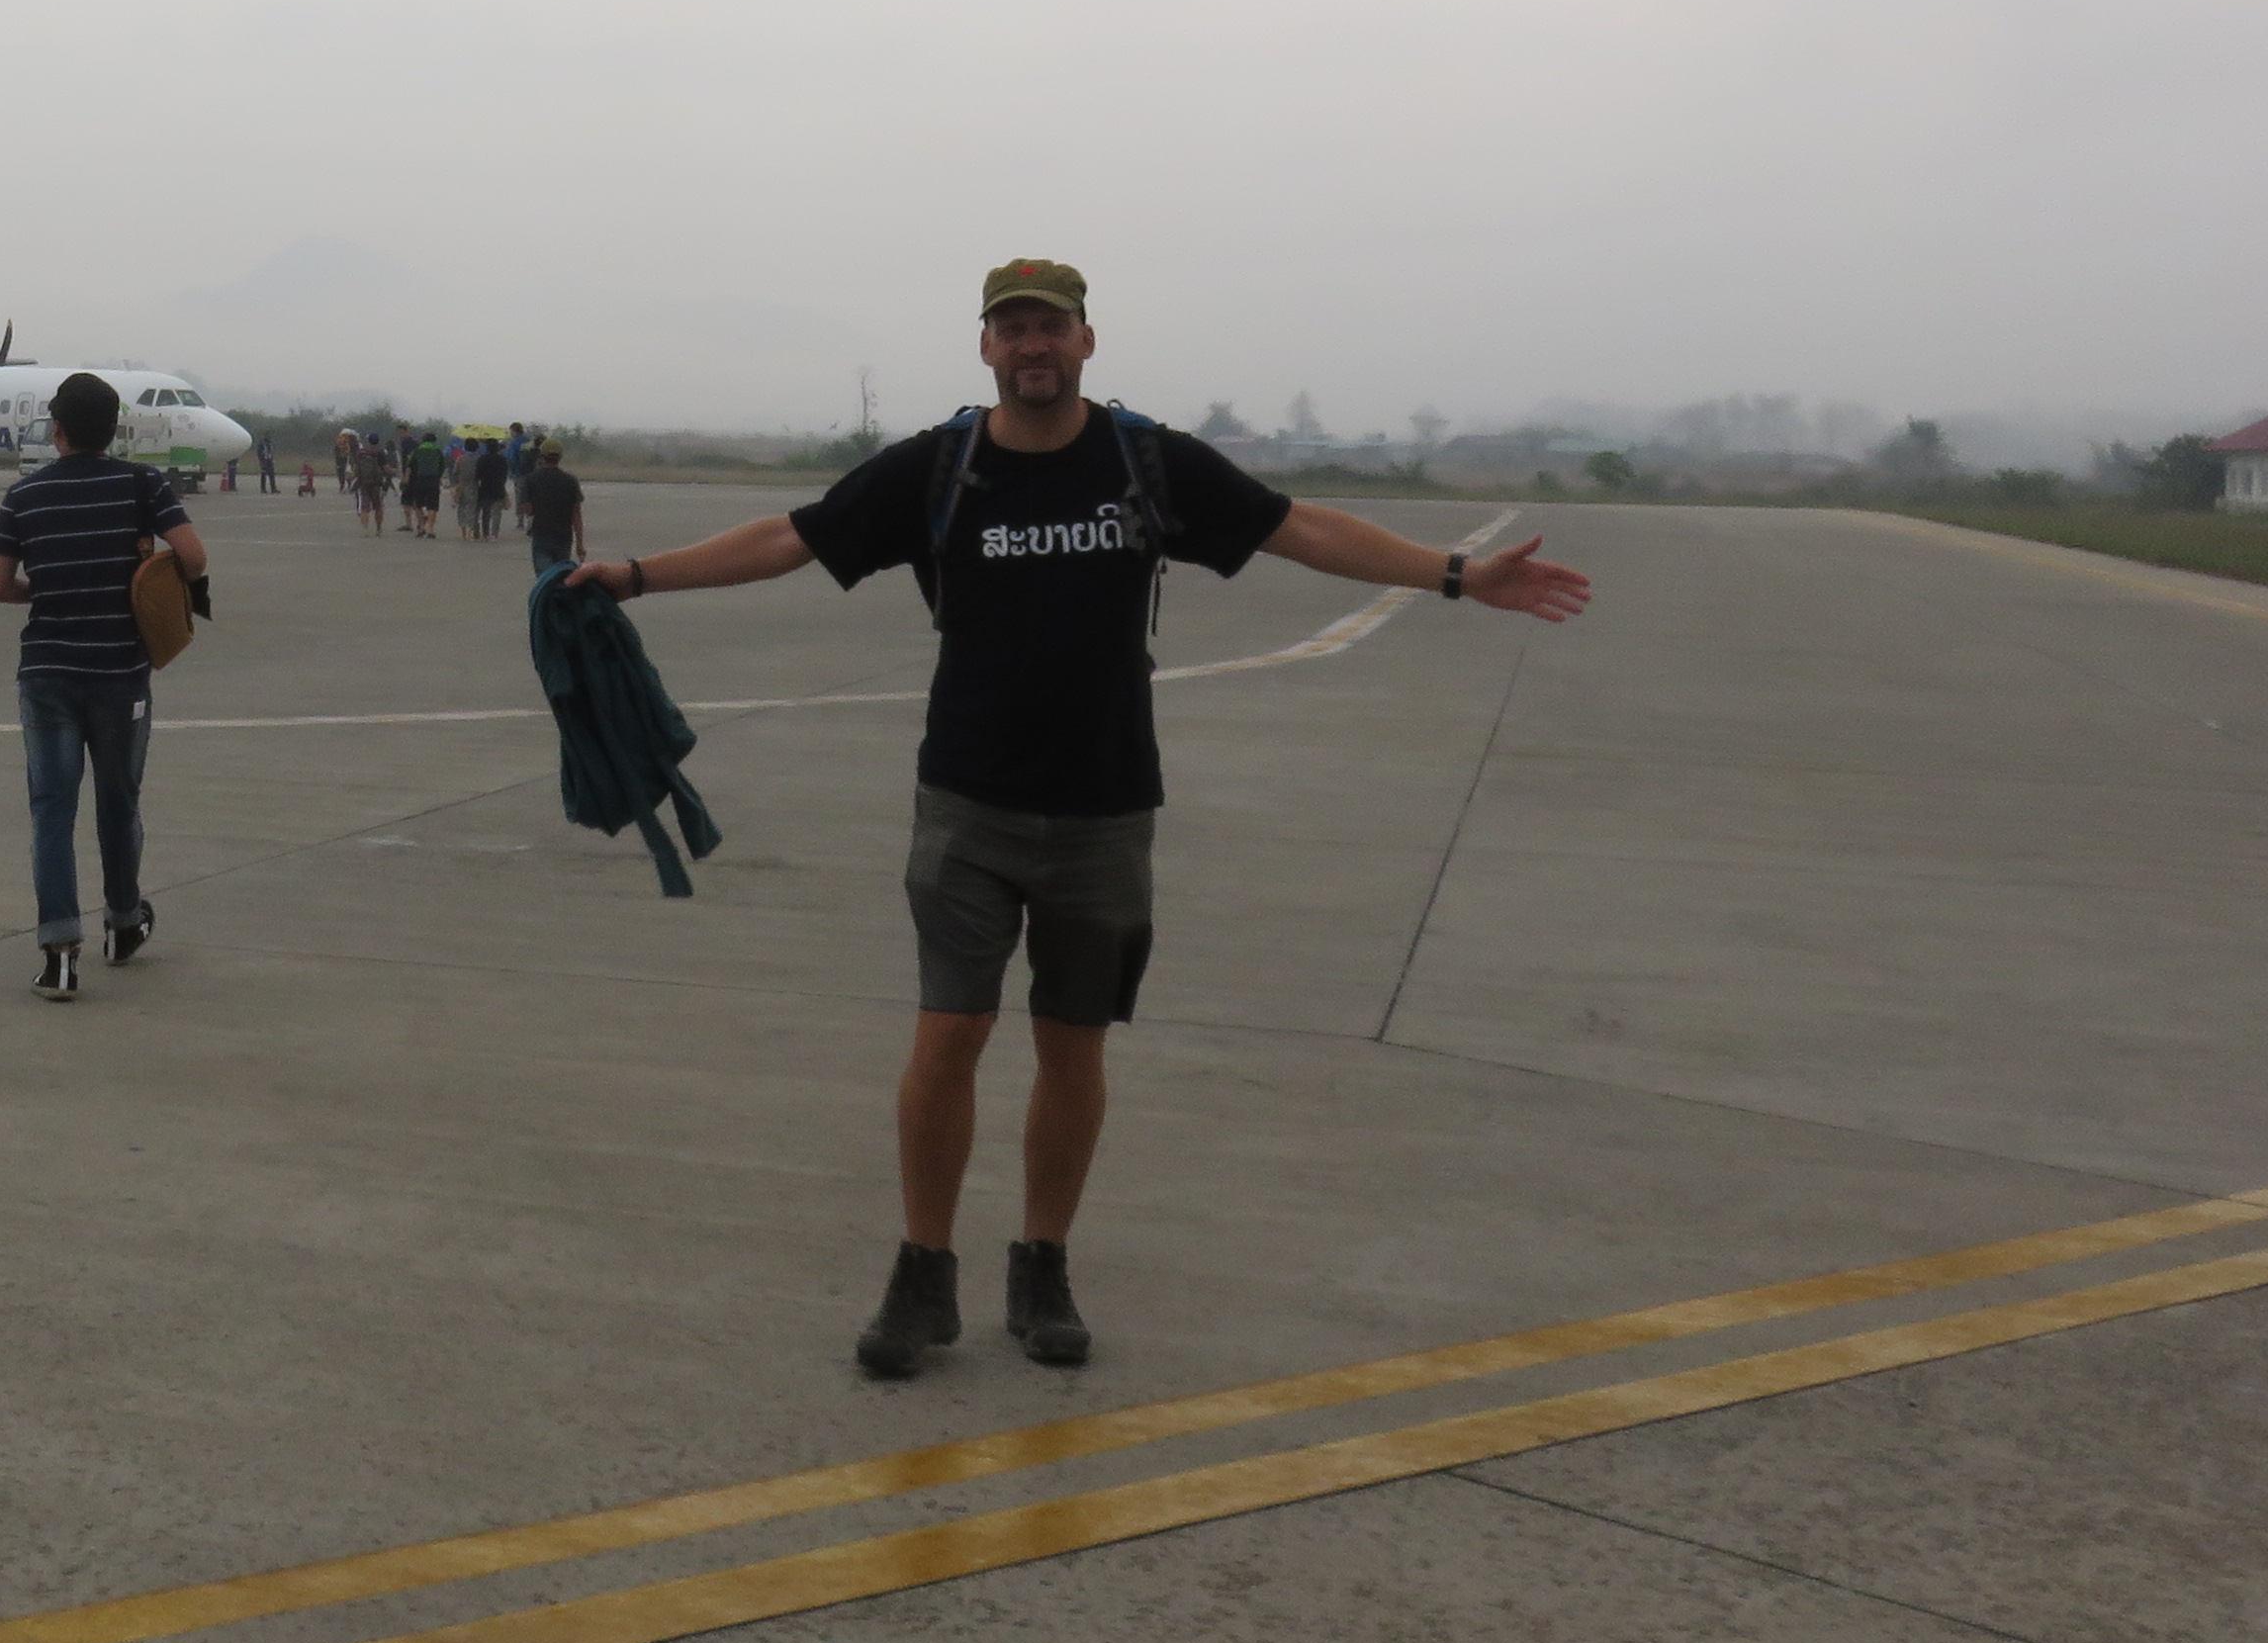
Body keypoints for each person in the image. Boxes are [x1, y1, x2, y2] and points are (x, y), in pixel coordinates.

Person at [566, 258, 1588, 1380]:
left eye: (1049, 326)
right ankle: (923, 1271)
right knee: (947, 1036)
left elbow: (1298, 527)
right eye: (1011, 328)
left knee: (1072, 1043)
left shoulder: (1146, 462)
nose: (1032, 345)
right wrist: (637, 576)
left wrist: (1456, 574)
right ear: (986, 348)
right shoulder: (942, 466)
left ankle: (1042, 1263)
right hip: (967, 801)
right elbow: (792, 538)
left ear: (1086, 341)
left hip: (1105, 807)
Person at [0, 372, 211, 999]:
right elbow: (194, 558)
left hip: (48, 674)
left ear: (57, 428)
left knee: (51, 813)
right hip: (118, 674)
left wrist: (52, 589)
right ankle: (123, 923)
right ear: (114, 430)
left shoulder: (24, 495)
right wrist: (140, 578)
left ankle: (59, 955)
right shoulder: (143, 484)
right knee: (118, 806)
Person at [519, 433, 586, 572]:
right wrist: (579, 544)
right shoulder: (571, 480)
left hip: (541, 536)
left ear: (541, 456)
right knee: (559, 576)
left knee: (545, 578)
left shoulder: (530, 479)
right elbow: (576, 515)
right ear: (560, 457)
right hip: (564, 537)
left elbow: (527, 509)